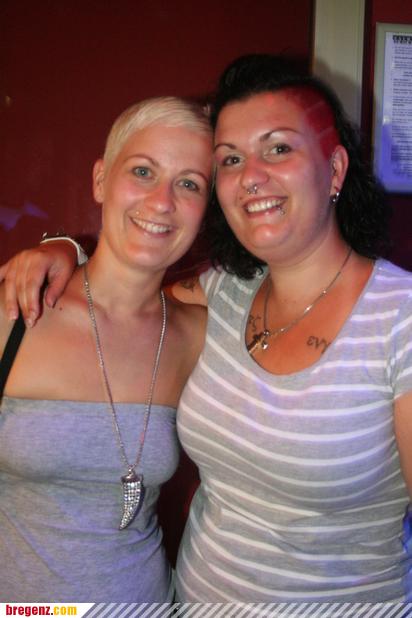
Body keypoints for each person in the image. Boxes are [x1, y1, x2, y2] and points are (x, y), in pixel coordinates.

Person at [1, 55, 412, 602]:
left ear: (334, 170)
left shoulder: (397, 318)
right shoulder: (223, 295)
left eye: (279, 148)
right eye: (232, 159)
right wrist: (64, 247)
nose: (252, 176)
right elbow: (120, 295)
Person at [0, 96, 213, 602]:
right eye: (143, 171)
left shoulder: (197, 334)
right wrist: (63, 245)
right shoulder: (15, 311)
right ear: (100, 180)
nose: (162, 201)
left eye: (189, 184)